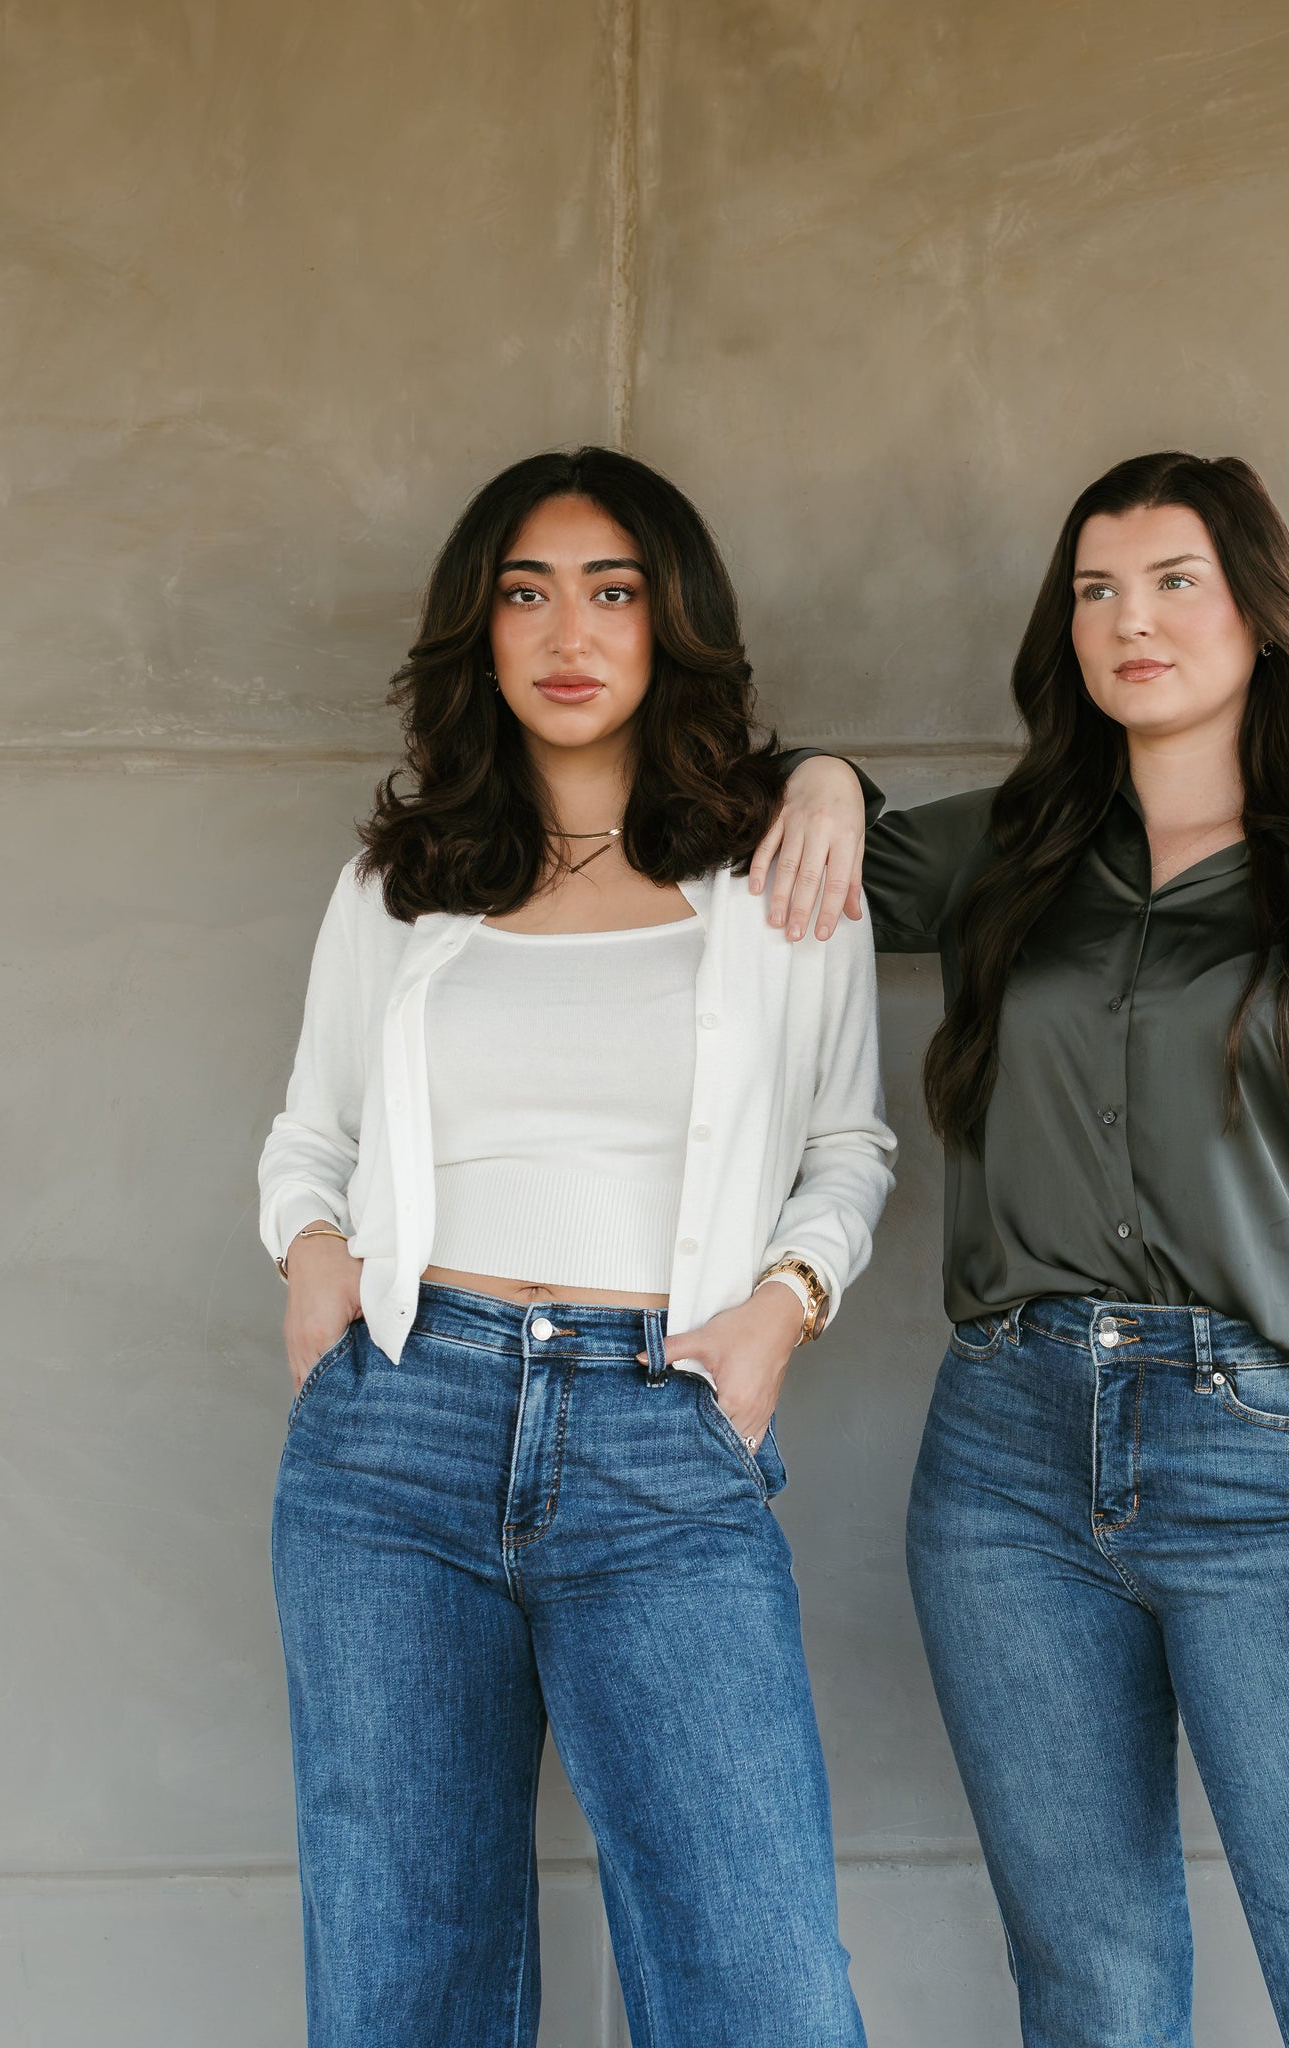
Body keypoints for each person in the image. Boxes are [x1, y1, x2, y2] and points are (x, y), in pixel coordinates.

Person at [759, 450, 1289, 2045]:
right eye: (1096, 590)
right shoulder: (1012, 853)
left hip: (1279, 1484)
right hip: (1007, 1474)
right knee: (1090, 1988)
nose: (1129, 621)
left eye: (1175, 582)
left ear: (1259, 617)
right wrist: (821, 772)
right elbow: (802, 851)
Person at [259, 447, 893, 2047]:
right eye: (527, 593)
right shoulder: (398, 889)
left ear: (670, 625)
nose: (569, 631)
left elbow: (846, 1144)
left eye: (613, 592)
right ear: (477, 632)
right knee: (407, 1974)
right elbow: (310, 1132)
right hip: (398, 1426)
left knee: (757, 1978)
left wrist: (784, 1306)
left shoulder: (778, 879)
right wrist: (309, 1253)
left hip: (660, 1427)